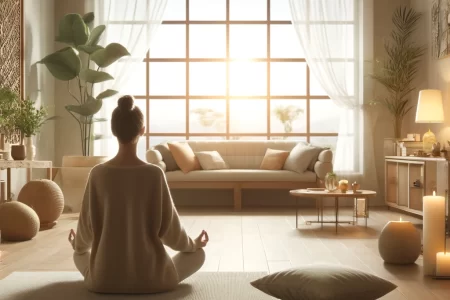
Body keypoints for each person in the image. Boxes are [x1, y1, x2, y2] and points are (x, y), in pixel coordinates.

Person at [68, 95, 208, 294]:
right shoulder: (154, 174)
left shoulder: (98, 174)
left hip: (103, 282)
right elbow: (172, 233)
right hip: (153, 281)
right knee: (198, 255)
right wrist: (194, 244)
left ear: (113, 131)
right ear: (142, 131)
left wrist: (77, 244)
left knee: (77, 254)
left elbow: (85, 233)